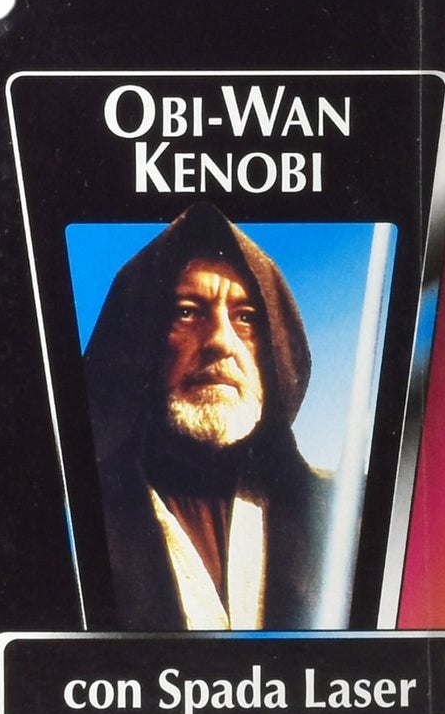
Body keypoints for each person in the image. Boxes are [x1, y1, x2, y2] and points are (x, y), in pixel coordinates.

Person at [81, 201, 331, 630]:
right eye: (187, 311)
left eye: (246, 318)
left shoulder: (342, 522)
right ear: (140, 341)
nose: (220, 340)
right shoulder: (77, 523)